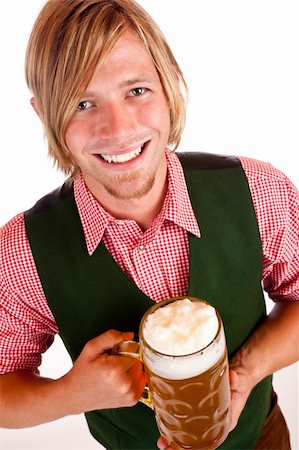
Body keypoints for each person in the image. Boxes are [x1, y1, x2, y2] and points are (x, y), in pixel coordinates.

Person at [0, 0, 298, 449]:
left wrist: (245, 372)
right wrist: (69, 394)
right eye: (82, 103)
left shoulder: (259, 191)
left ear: (171, 80)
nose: (118, 129)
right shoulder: (22, 252)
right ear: (45, 115)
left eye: (136, 90)